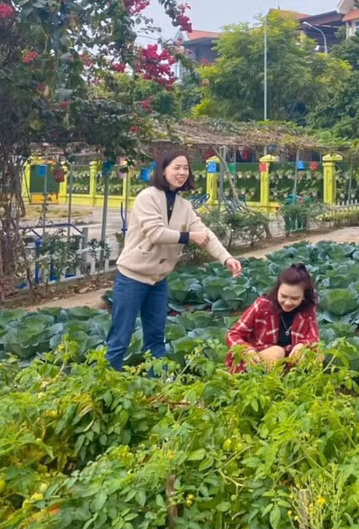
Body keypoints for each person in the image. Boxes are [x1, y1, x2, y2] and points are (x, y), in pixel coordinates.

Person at [106, 150, 242, 370]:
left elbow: (205, 234)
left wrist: (226, 258)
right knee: (120, 338)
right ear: (163, 170)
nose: (181, 172)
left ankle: (156, 385)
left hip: (158, 281)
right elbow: (156, 233)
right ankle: (106, 383)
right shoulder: (147, 197)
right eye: (176, 167)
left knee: (156, 339)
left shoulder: (183, 206)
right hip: (132, 278)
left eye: (185, 168)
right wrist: (189, 237)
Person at [225, 263, 319, 372]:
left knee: (315, 353)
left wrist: (302, 345)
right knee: (277, 351)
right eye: (283, 296)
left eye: (295, 298)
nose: (288, 302)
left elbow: (314, 338)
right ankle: (257, 380)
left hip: (289, 361)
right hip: (257, 359)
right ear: (277, 290)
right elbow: (233, 334)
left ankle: (289, 380)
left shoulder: (307, 309)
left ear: (303, 297)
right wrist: (247, 350)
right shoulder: (262, 305)